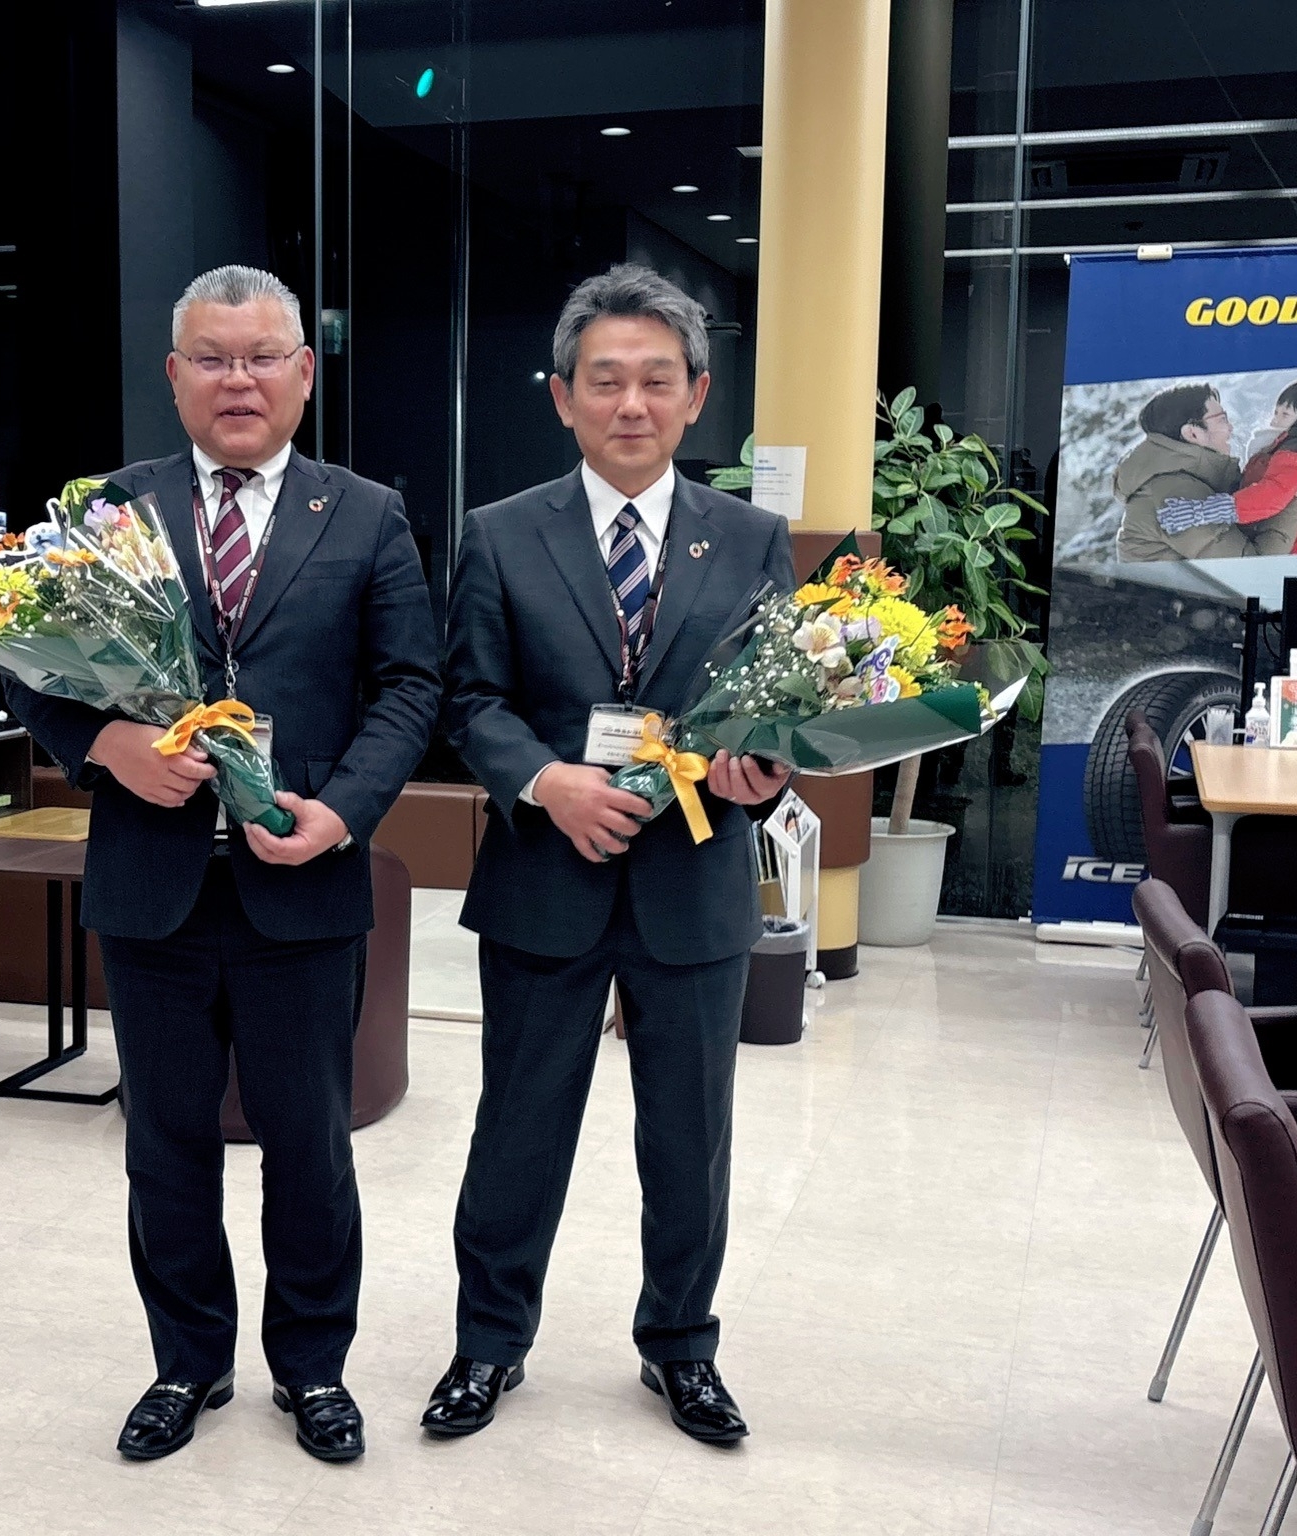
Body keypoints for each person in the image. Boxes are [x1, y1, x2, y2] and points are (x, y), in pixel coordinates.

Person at [2, 265, 439, 1465]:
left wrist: (341, 814)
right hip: (152, 889)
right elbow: (28, 665)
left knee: (310, 1147)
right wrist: (102, 748)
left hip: (303, 882)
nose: (236, 380)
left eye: (259, 358)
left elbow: (411, 688)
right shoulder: (111, 509)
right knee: (164, 1145)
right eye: (211, 357)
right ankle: (186, 1362)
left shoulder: (367, 515)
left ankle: (314, 1368)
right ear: (174, 374)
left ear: (303, 372)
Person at [424, 264, 793, 1445]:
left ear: (698, 395)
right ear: (562, 395)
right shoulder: (498, 534)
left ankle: (681, 1346)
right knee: (518, 1128)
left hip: (694, 883)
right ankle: (489, 1343)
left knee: (689, 1136)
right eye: (605, 380)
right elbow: (469, 700)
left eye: (657, 380)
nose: (631, 403)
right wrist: (547, 782)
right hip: (546, 878)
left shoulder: (753, 539)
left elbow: (776, 705)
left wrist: (764, 771)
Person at [1155, 376, 1297, 556]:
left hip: (1287, 563)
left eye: (1284, 414)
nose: (1274, 421)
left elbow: (1267, 498)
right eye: (1275, 412)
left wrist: (1202, 512)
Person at [1113, 383, 1253, 561]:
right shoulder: (1176, 493)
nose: (1230, 427)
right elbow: (1251, 567)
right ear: (1192, 433)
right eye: (1222, 419)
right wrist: (1285, 487)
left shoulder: (1175, 480)